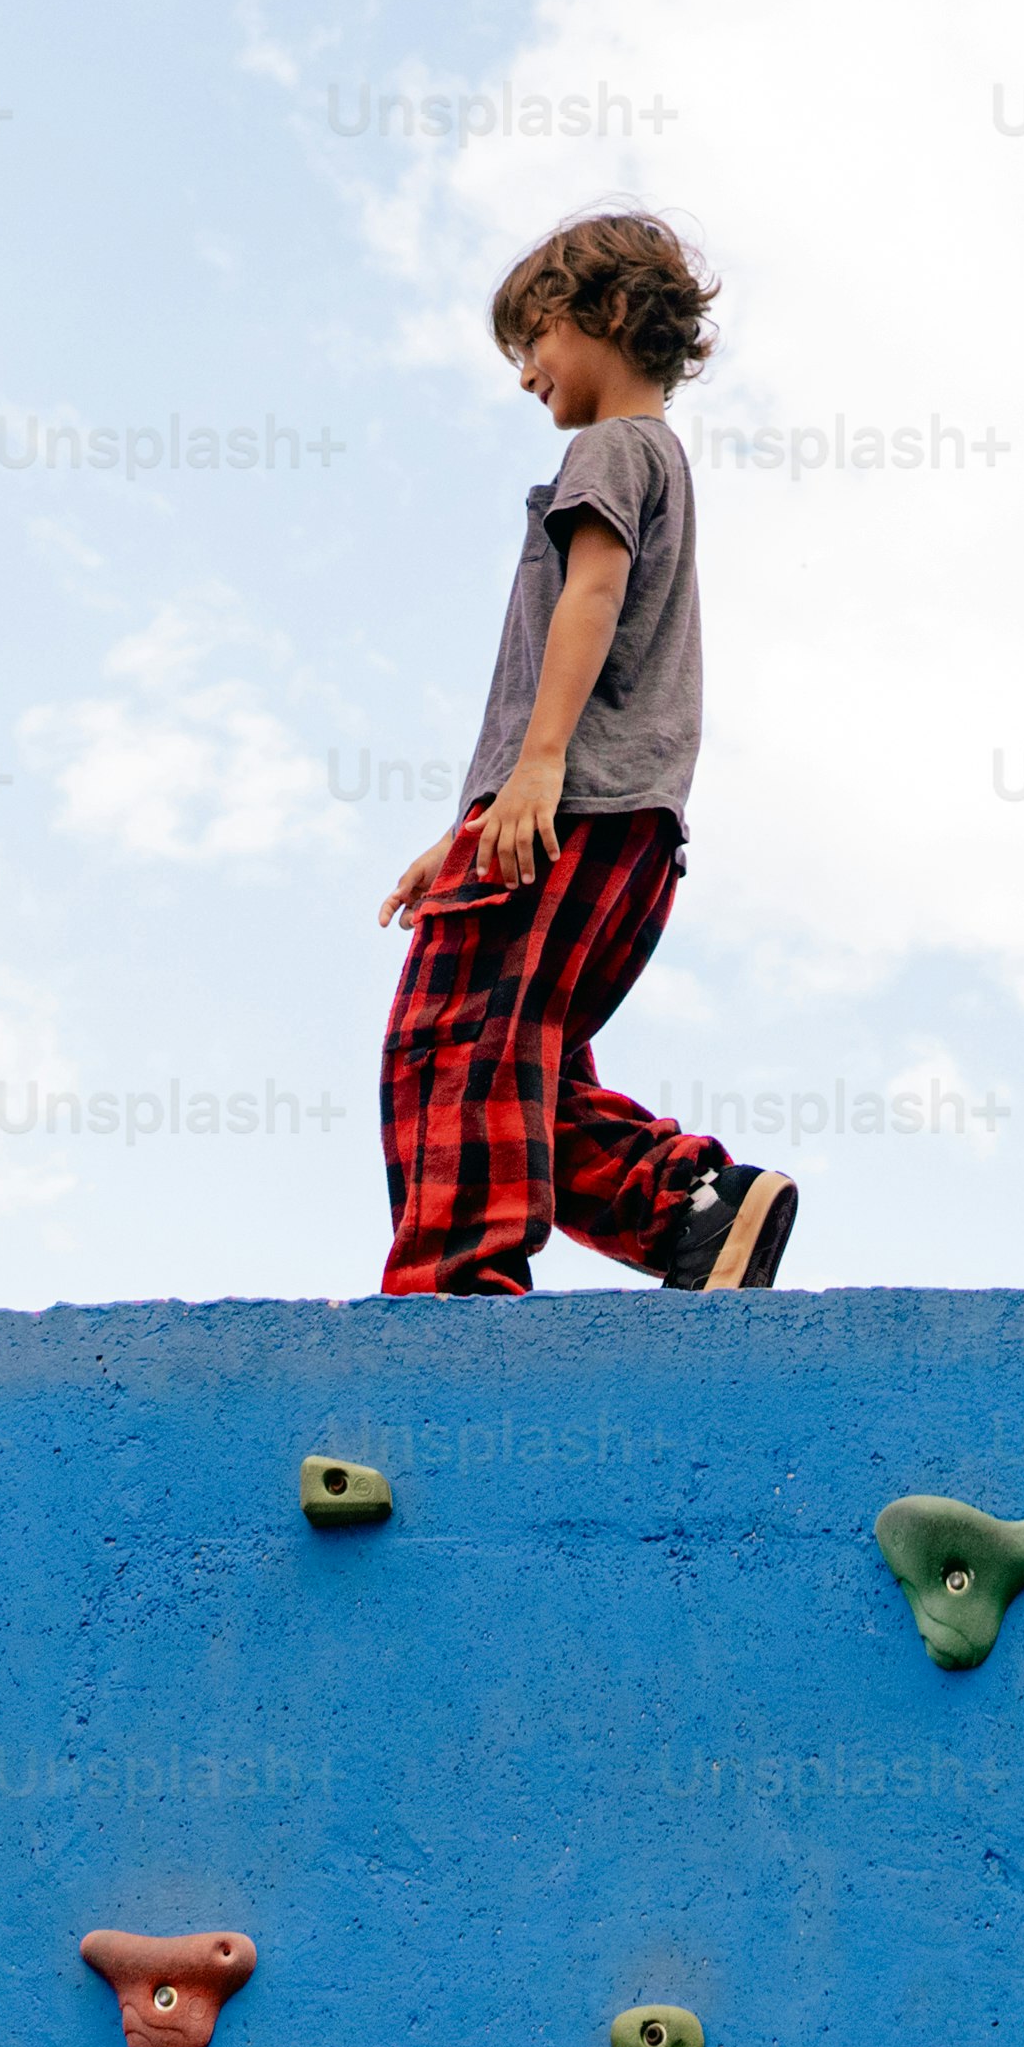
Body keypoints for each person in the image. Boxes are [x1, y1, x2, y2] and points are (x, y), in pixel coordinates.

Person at [369, 210, 799, 1296]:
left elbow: (591, 595)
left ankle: (455, 1283)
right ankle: (696, 1213)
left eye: (534, 341)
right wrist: (460, 827)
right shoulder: (661, 460)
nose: (525, 375)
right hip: (623, 824)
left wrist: (538, 768)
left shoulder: (608, 450)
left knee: (454, 1033)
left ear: (604, 314)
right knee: (527, 1059)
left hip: (578, 802)